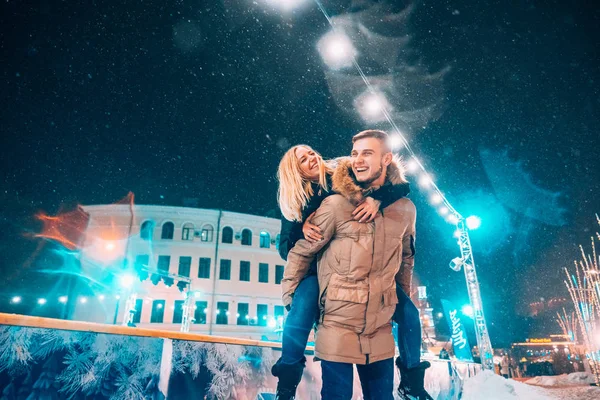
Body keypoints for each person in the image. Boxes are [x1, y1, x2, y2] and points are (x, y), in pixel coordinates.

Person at [282, 130, 431, 400]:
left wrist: (377, 199)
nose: (312, 158)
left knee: (409, 313)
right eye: (303, 159)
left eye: (312, 152)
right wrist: (301, 228)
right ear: (297, 172)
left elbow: (397, 184)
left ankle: (412, 381)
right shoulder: (298, 202)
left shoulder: (342, 173)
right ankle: (287, 381)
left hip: (371, 292)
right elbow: (290, 250)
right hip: (321, 273)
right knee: (299, 307)